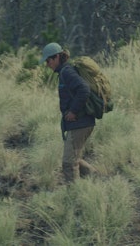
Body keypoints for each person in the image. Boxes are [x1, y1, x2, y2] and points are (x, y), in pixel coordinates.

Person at [40, 42, 96, 183]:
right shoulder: (64, 72)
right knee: (74, 159)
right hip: (80, 123)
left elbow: (84, 89)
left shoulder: (67, 72)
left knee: (68, 163)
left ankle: (75, 196)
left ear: (57, 57)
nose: (47, 64)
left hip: (80, 123)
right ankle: (98, 180)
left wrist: (72, 111)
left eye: (49, 60)